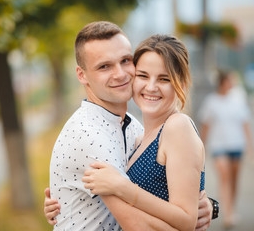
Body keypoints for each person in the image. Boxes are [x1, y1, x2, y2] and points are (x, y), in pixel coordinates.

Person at [46, 21, 213, 230]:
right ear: (82, 75)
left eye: (125, 61)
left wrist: (208, 206)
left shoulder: (134, 127)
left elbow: (173, 192)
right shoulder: (90, 135)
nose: (120, 74)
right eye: (104, 66)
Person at [198, 71, 253, 229]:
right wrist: (202, 147)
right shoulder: (211, 101)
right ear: (222, 82)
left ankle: (232, 207)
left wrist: (250, 146)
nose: (233, 83)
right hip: (219, 146)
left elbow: (245, 124)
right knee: (224, 178)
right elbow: (206, 126)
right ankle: (228, 213)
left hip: (237, 145)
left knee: (234, 181)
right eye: (230, 80)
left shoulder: (238, 100)